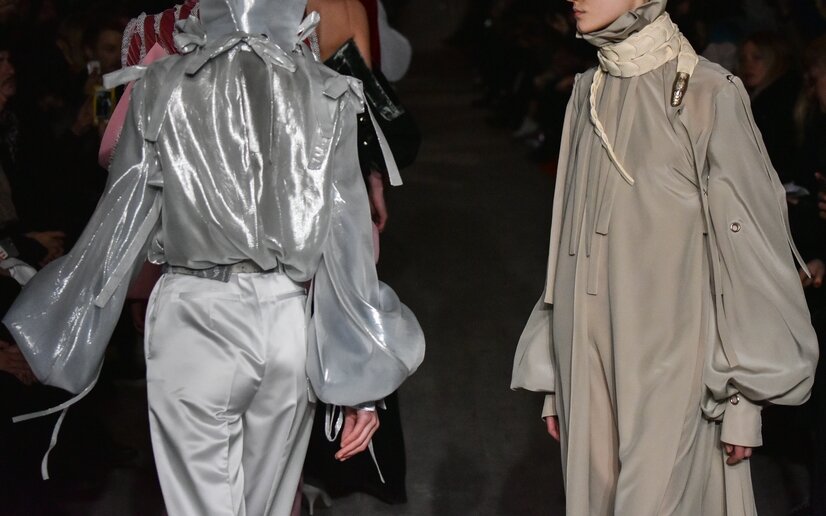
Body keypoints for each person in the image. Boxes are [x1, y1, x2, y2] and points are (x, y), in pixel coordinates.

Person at [2, 0, 425, 515]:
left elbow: (117, 223)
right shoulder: (327, 90)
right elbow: (345, 245)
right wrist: (362, 385)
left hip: (194, 315)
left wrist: (56, 326)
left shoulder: (161, 85)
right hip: (286, 320)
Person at [511, 1, 818, 514]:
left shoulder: (708, 92)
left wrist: (743, 399)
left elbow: (748, 254)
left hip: (674, 365)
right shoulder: (587, 92)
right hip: (586, 358)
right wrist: (556, 378)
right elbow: (565, 241)